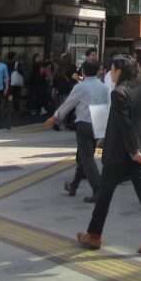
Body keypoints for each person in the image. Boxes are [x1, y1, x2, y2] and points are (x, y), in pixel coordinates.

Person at [78, 57, 141, 254]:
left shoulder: (118, 93)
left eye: (112, 69)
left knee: (104, 195)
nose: (111, 73)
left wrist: (133, 151)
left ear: (118, 71)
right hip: (140, 151)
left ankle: (94, 235)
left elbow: (125, 125)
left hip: (119, 153)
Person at [46, 59, 109, 202]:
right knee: (84, 156)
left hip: (85, 123)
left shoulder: (81, 87)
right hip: (99, 122)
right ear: (98, 71)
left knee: (86, 158)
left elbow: (68, 104)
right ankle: (73, 185)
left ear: (83, 72)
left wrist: (55, 117)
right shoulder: (103, 87)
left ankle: (98, 189)